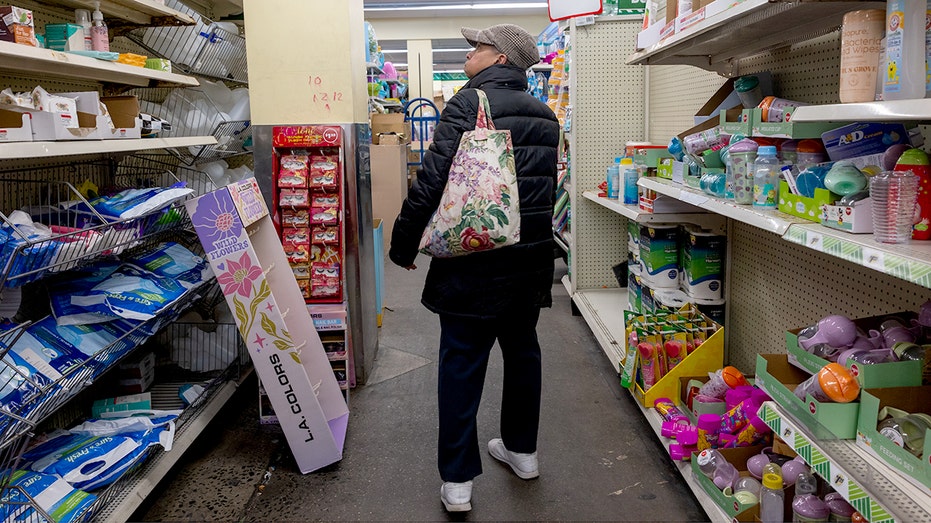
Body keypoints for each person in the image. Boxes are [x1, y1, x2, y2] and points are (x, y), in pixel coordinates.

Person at [388, 23, 560, 513]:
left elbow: (431, 182)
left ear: (502, 59)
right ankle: (523, 451)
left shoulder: (468, 106)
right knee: (523, 353)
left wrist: (404, 245)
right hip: (528, 262)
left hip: (475, 260)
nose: (470, 56)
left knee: (462, 361)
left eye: (479, 48)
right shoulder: (547, 116)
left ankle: (459, 482)